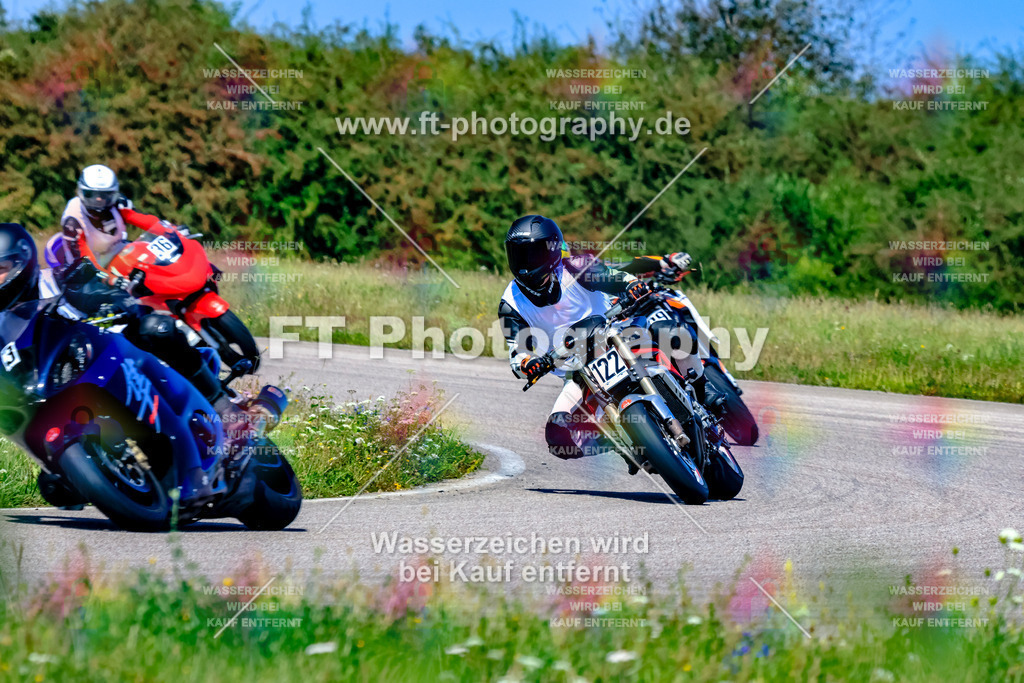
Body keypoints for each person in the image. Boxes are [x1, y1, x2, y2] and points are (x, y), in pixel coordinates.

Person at [497, 215, 720, 470]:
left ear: (552, 251)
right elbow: (518, 352)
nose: (524, 264)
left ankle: (702, 392)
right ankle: (625, 442)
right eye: (518, 254)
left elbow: (617, 278)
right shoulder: (510, 303)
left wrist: (632, 285)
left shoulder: (577, 266)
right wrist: (529, 364)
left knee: (673, 333)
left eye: (532, 254)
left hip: (619, 335)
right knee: (557, 437)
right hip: (579, 373)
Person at [46, 164, 169, 273]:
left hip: (119, 256)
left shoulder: (118, 203)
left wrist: (171, 231)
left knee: (157, 264)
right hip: (86, 274)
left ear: (113, 193)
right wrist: (109, 279)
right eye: (91, 194)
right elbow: (84, 260)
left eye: (104, 194)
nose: (98, 199)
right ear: (82, 192)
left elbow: (147, 221)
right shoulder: (73, 220)